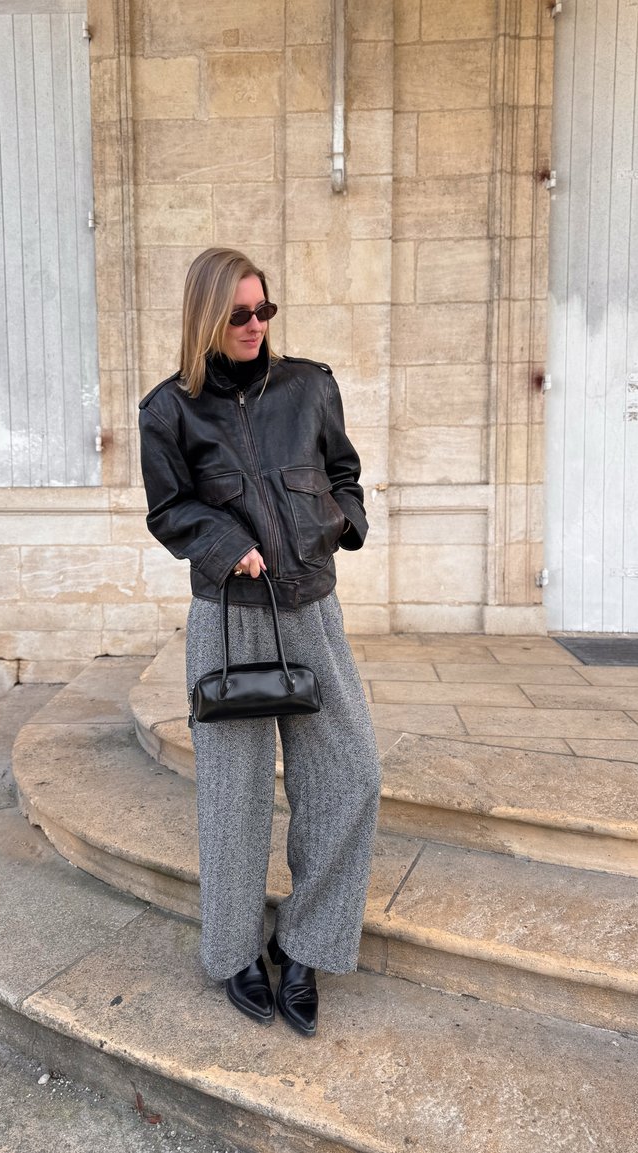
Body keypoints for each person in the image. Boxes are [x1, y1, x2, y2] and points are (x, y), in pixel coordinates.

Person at [138, 247, 381, 1037]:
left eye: (263, 311)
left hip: (309, 606)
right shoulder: (168, 410)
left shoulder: (309, 384)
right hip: (229, 615)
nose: (254, 326)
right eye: (239, 314)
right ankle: (236, 950)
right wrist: (223, 544)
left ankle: (305, 941)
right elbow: (170, 508)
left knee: (350, 774)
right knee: (234, 797)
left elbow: (343, 472)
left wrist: (336, 522)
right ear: (207, 315)